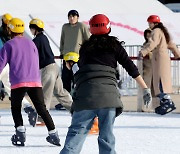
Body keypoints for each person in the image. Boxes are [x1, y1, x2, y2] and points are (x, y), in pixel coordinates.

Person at [60, 14, 152, 154]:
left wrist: (71, 66)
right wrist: (145, 88)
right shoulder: (114, 46)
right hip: (108, 99)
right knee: (106, 137)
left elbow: (80, 71)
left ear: (90, 29)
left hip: (86, 97)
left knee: (76, 133)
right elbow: (130, 67)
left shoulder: (85, 48)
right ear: (108, 27)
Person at [0, 18, 60, 146]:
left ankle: (20, 133)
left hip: (18, 82)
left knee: (15, 108)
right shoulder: (31, 43)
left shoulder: (9, 45)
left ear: (10, 29)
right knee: (42, 108)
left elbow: (1, 64)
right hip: (35, 81)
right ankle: (53, 134)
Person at [29, 18, 73, 125]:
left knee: (44, 94)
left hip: (47, 69)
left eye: (31, 28)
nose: (30, 30)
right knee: (60, 92)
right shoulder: (44, 38)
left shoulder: (36, 40)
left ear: (35, 28)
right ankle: (76, 110)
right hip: (54, 67)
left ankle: (42, 117)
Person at [0, 13, 37, 126]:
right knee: (11, 89)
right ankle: (28, 107)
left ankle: (28, 107)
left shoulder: (5, 33)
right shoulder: (12, 33)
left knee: (11, 89)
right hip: (8, 63)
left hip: (3, 62)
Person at [139, 15, 180, 115]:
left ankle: (167, 102)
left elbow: (152, 43)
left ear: (154, 23)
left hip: (159, 58)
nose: (149, 25)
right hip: (163, 57)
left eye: (150, 23)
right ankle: (164, 102)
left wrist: (143, 52)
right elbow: (171, 44)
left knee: (160, 81)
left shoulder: (156, 31)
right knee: (162, 80)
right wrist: (177, 54)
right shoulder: (162, 31)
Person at [60, 9, 90, 93]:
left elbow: (88, 40)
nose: (71, 18)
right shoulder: (65, 27)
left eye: (73, 16)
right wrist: (61, 52)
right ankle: (66, 101)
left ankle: (78, 99)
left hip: (77, 57)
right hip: (66, 57)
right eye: (70, 16)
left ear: (77, 17)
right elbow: (62, 40)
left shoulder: (82, 26)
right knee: (65, 79)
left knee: (77, 79)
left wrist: (86, 52)